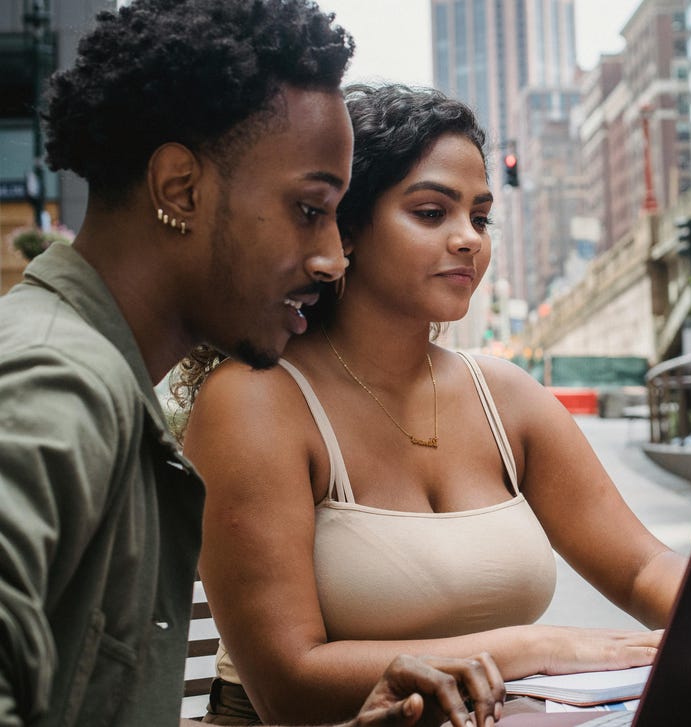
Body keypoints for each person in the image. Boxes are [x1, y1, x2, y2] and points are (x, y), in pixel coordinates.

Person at [0, 2, 504, 726]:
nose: (333, 258)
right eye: (309, 208)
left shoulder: (104, 379)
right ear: (181, 189)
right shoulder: (58, 383)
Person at [177, 84, 689, 725]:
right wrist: (528, 649)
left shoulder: (506, 395)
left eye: (479, 217)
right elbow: (289, 683)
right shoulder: (254, 402)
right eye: (430, 213)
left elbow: (642, 567)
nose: (468, 240)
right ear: (347, 228)